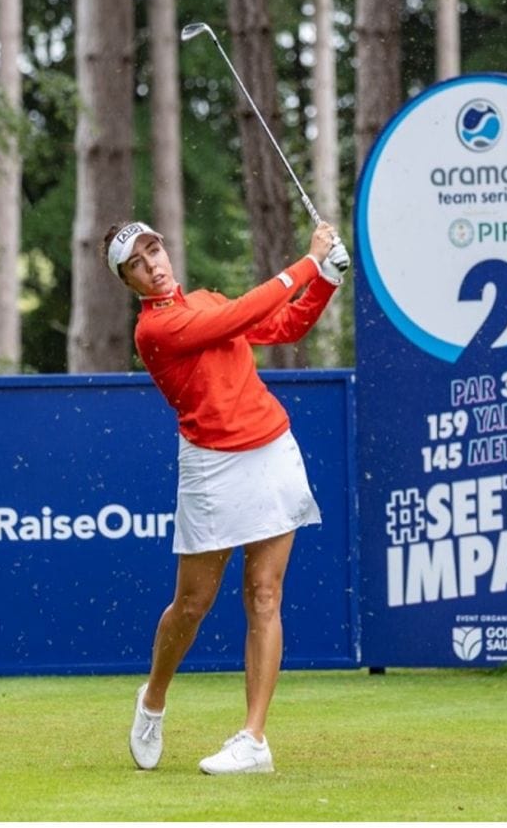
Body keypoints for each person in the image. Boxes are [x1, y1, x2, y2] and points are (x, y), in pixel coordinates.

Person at [105, 218, 349, 775]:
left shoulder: (206, 300)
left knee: (264, 594)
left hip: (270, 450)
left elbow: (284, 325)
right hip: (212, 466)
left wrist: (328, 282)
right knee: (193, 604)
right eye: (137, 263)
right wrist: (310, 262)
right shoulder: (155, 331)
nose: (152, 265)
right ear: (129, 281)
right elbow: (239, 316)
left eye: (154, 251)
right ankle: (153, 699)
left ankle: (254, 739)